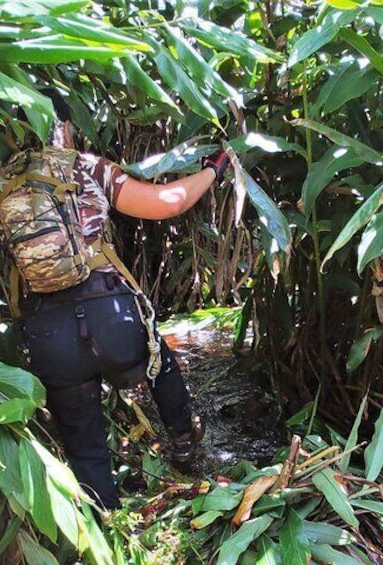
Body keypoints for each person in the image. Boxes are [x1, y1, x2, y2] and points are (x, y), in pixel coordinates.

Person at [16, 102, 231, 510]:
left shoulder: (1, 183)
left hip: (49, 331)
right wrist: (211, 169)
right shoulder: (83, 167)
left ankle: (109, 525)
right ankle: (184, 444)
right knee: (158, 360)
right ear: (63, 124)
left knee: (84, 443)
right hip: (110, 315)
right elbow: (168, 201)